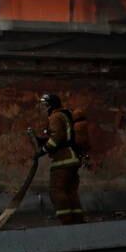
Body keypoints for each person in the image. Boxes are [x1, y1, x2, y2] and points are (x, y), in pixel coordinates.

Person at [34, 92, 86, 225]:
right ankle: (77, 221)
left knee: (56, 190)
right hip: (73, 159)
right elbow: (63, 135)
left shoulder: (55, 117)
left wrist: (43, 151)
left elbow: (57, 138)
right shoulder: (65, 115)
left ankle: (67, 222)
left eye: (45, 105)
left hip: (63, 160)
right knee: (70, 191)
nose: (44, 109)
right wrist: (42, 140)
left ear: (51, 105)